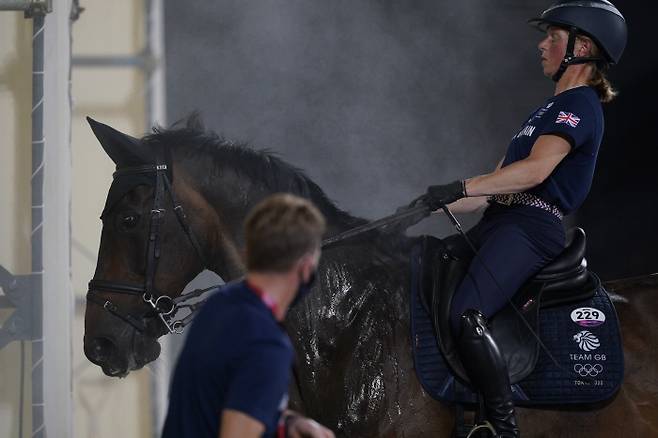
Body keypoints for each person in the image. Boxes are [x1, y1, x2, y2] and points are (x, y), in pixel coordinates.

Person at [410, 1, 627, 437]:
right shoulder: (542, 114)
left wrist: (463, 186)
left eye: (552, 37)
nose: (541, 45)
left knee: (467, 311)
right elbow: (494, 186)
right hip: (502, 220)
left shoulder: (582, 105)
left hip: (530, 229)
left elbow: (535, 172)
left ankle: (502, 427)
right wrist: (425, 207)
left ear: (582, 47)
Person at [161, 193, 335, 438]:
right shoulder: (266, 345)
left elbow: (222, 399)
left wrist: (287, 423)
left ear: (247, 252)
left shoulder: (220, 306)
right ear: (306, 268)